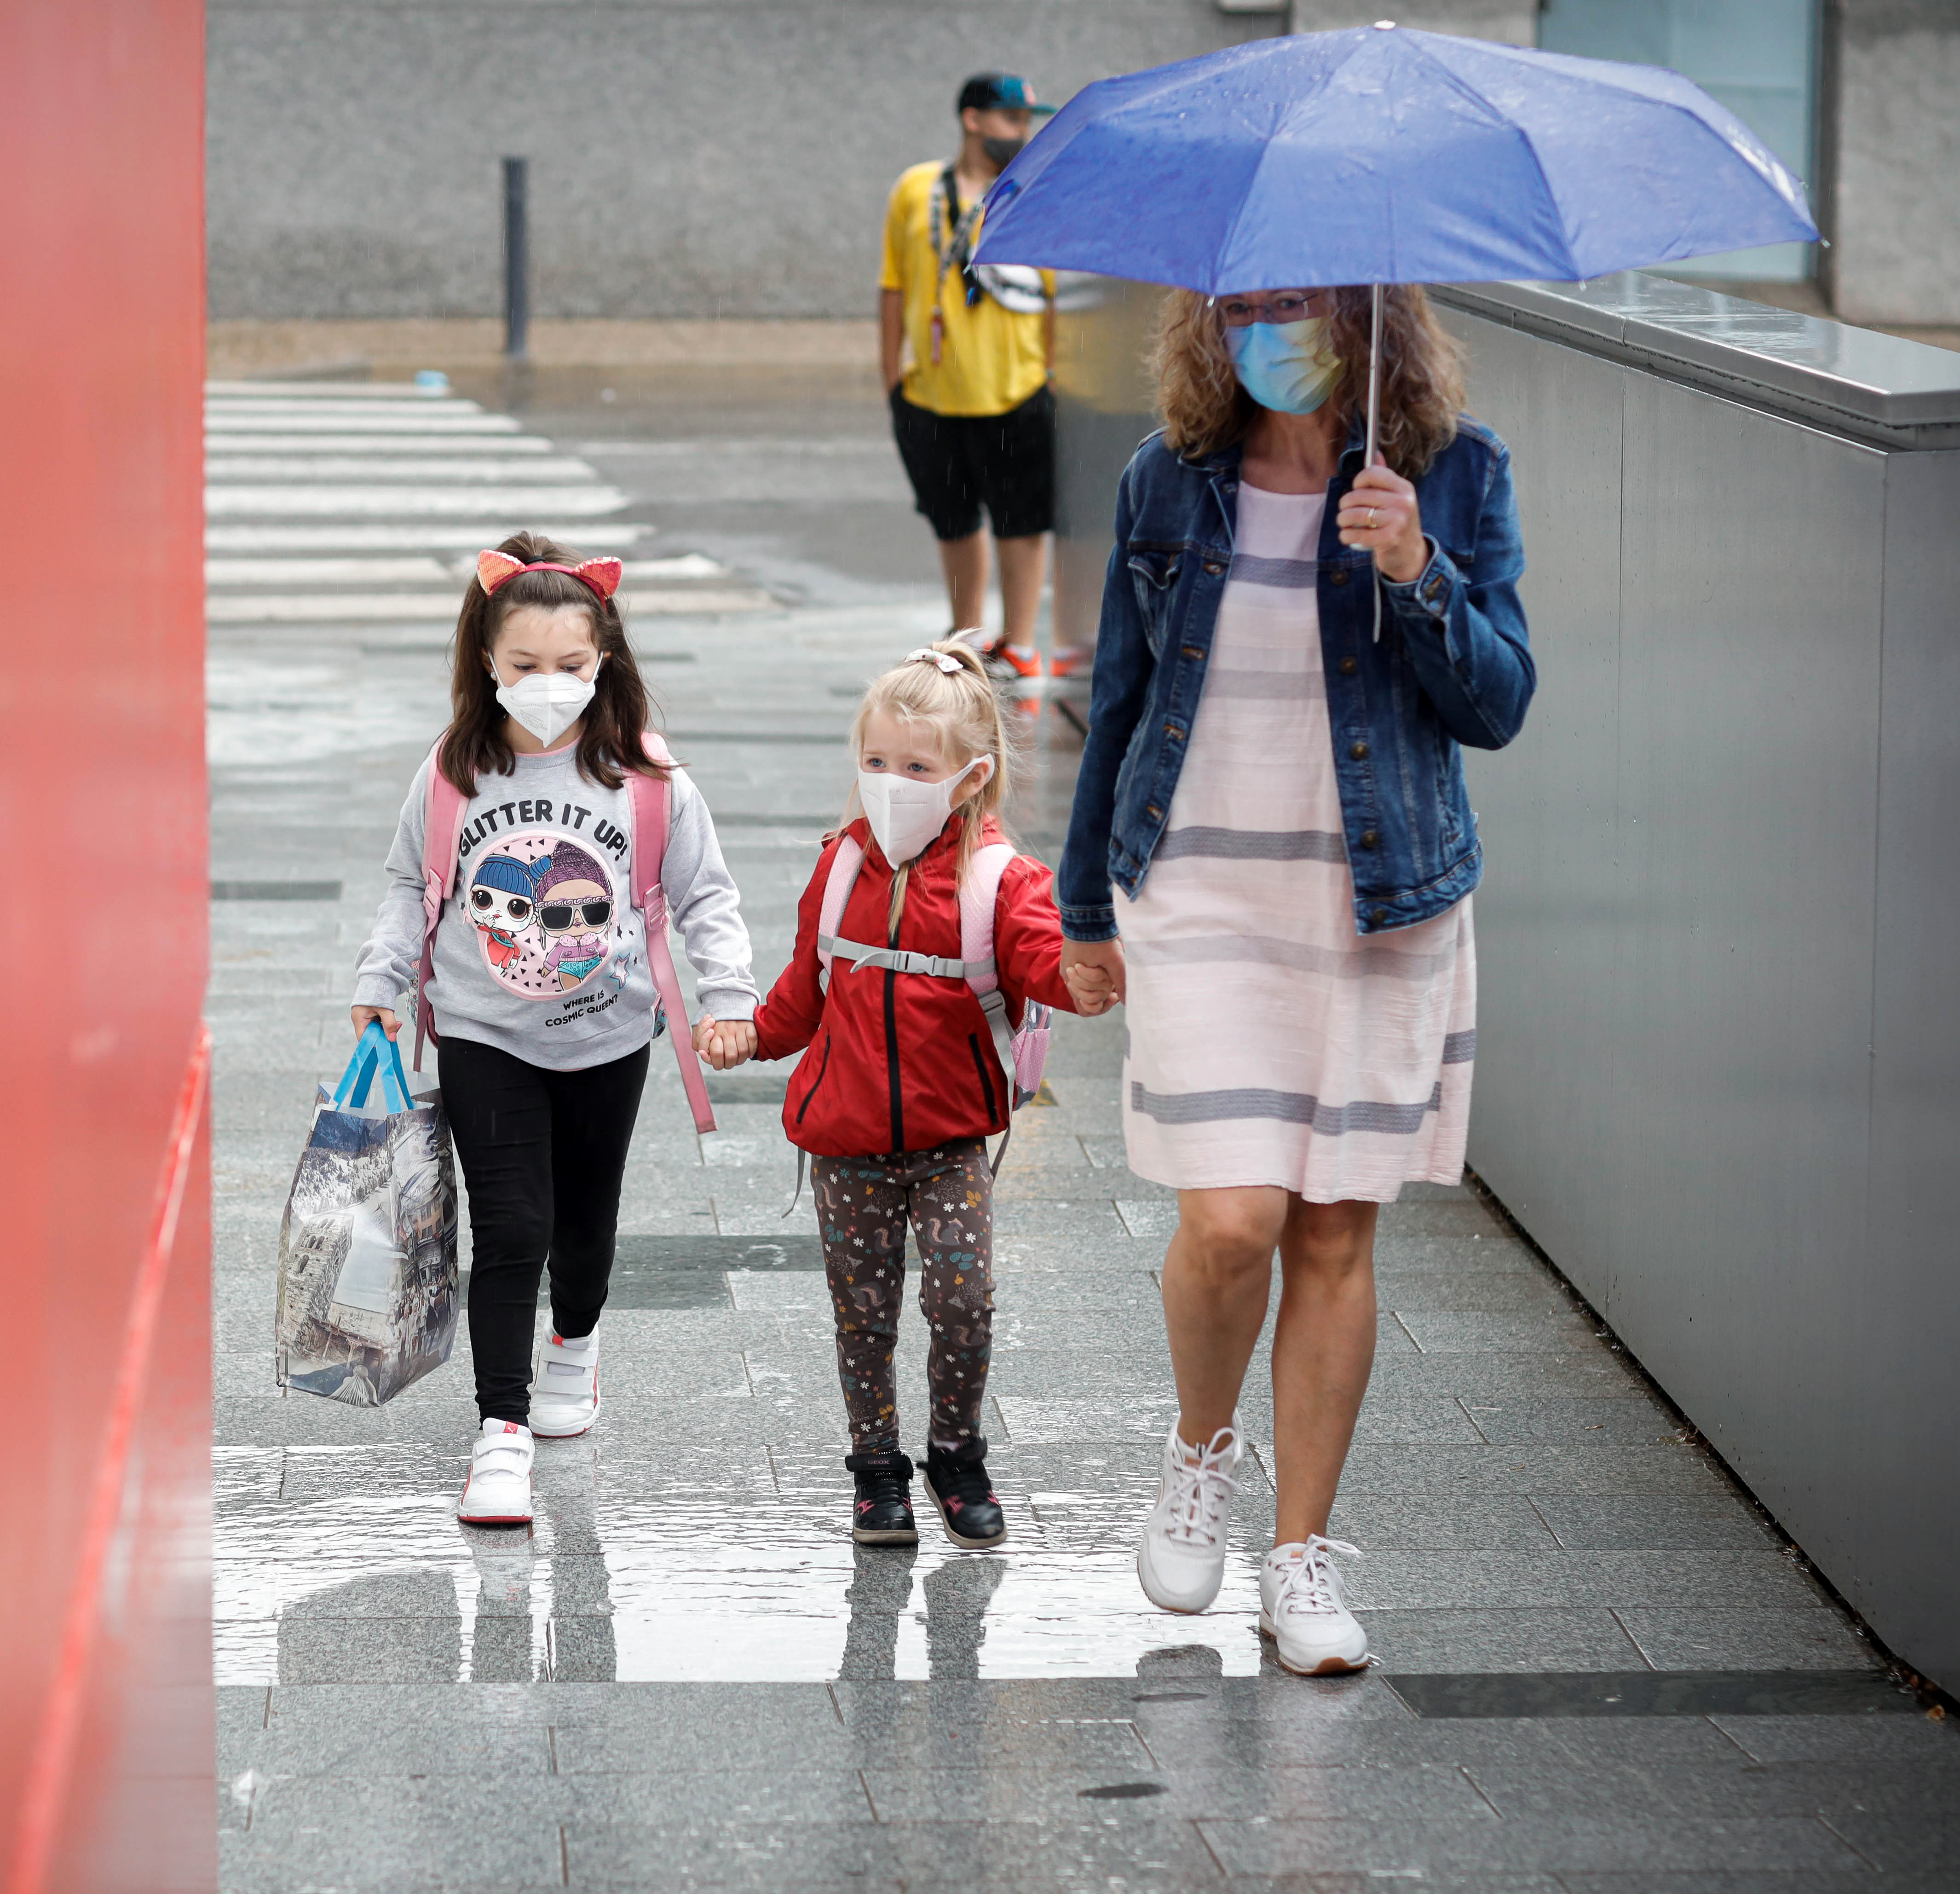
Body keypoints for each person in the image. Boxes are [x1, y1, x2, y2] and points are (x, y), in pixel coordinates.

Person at [1056, 285, 1534, 1675]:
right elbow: (1122, 697)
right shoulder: (1167, 478)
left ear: (1362, 313)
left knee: (1330, 1228)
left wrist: (1414, 571)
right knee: (1230, 1218)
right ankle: (1200, 1447)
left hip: (1374, 900)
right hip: (1198, 884)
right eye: (1245, 301)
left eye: (1297, 299)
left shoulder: (1454, 469)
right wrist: (1081, 904)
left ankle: (1299, 1550)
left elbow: (1498, 703)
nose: (1270, 324)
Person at [352, 531, 759, 1528]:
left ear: (604, 659)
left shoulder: (647, 778)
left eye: (570, 666)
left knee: (583, 1232)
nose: (547, 684)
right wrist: (384, 980)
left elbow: (704, 894)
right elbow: (413, 885)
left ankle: (574, 1346)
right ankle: (501, 1434)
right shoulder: (455, 771)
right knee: (512, 1231)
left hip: (609, 1033)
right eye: (525, 665)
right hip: (484, 1031)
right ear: (486, 661)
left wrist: (729, 996)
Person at [751, 641, 1078, 1550]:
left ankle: (957, 1453)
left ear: (970, 778)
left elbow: (1047, 965)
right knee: (863, 1314)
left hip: (950, 1144)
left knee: (963, 1298)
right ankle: (876, 1470)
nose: (890, 783)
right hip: (845, 1143)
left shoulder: (1001, 882)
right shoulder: (842, 866)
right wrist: (749, 1034)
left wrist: (1090, 973)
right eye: (876, 763)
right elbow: (803, 991)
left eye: (916, 768)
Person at [879, 73, 1060, 716]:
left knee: (1022, 522)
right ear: (973, 120)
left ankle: (1021, 643)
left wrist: (1052, 373)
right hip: (931, 391)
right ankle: (965, 640)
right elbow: (894, 284)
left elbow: (1054, 292)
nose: (1022, 132)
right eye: (1011, 118)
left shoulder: (1032, 190)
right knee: (952, 521)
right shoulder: (915, 190)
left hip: (1015, 386)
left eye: (1026, 120)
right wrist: (890, 376)